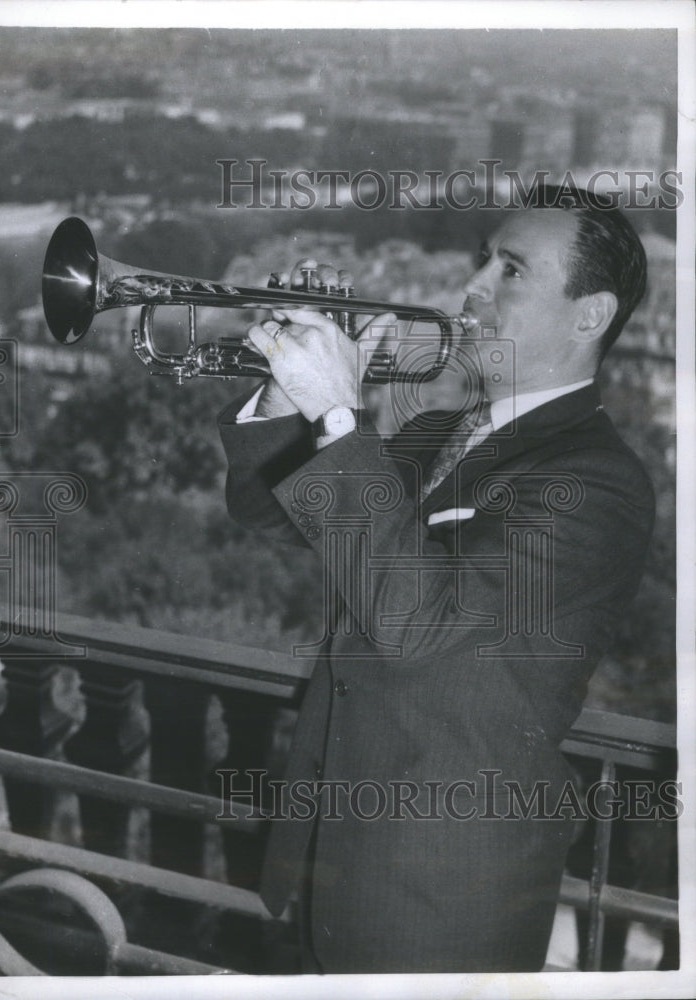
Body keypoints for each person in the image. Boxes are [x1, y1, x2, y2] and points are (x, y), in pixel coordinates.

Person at [217, 186, 653, 973]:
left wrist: (342, 417)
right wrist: (292, 396)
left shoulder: (595, 483)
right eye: (482, 258)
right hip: (318, 859)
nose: (474, 286)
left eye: (511, 270)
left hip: (438, 898)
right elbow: (265, 511)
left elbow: (418, 625)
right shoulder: (441, 432)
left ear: (590, 314)